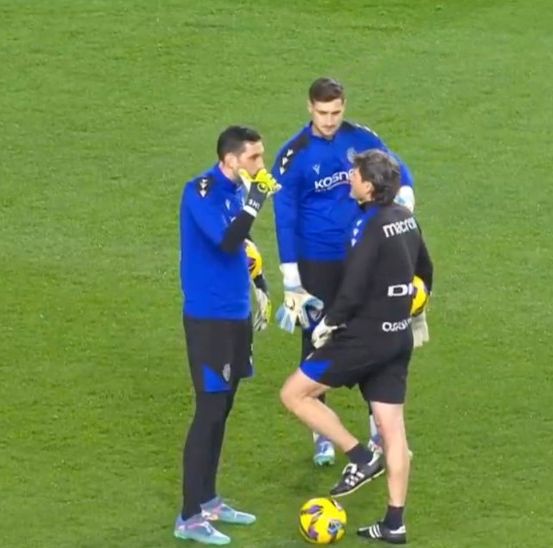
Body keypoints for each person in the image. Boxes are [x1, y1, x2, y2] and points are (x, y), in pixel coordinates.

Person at [279, 149, 433, 544]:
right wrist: (408, 304)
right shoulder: (406, 219)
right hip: (398, 335)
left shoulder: (370, 225)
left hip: (364, 338)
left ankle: (361, 458)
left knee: (295, 394)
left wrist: (326, 326)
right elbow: (426, 273)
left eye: (355, 173)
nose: (349, 176)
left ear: (369, 185)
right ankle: (394, 523)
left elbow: (353, 287)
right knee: (393, 429)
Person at [271, 77, 418, 466]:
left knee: (368, 334)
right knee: (317, 340)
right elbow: (284, 217)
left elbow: (401, 174)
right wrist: (291, 278)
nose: (331, 120)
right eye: (323, 113)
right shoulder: (294, 154)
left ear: (344, 106)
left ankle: (377, 426)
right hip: (317, 261)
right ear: (309, 108)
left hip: (363, 254)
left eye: (336, 112)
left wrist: (403, 210)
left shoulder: (362, 138)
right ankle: (322, 431)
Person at [175, 125, 280, 545]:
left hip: (235, 315)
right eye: (254, 157)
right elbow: (225, 240)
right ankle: (188, 516)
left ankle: (209, 499)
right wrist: (255, 203)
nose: (261, 164)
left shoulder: (237, 190)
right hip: (209, 319)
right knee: (209, 411)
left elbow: (245, 246)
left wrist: (261, 286)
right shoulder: (199, 190)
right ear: (230, 159)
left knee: (226, 407)